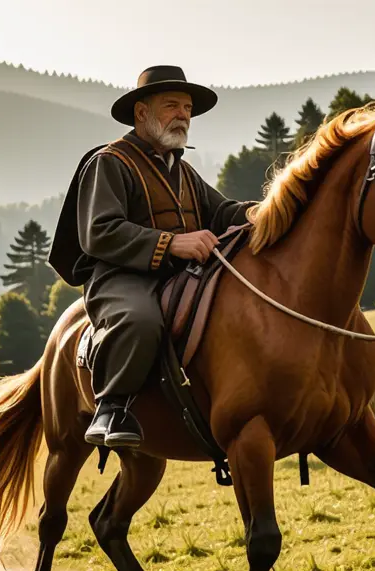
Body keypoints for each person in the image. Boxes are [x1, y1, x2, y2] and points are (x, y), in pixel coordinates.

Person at [50, 66, 255, 448]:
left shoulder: (184, 171)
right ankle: (110, 408)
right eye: (172, 105)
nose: (184, 115)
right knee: (141, 319)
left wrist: (265, 211)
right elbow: (99, 232)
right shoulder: (110, 162)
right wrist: (170, 243)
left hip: (182, 275)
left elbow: (222, 211)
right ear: (141, 112)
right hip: (120, 278)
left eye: (188, 108)